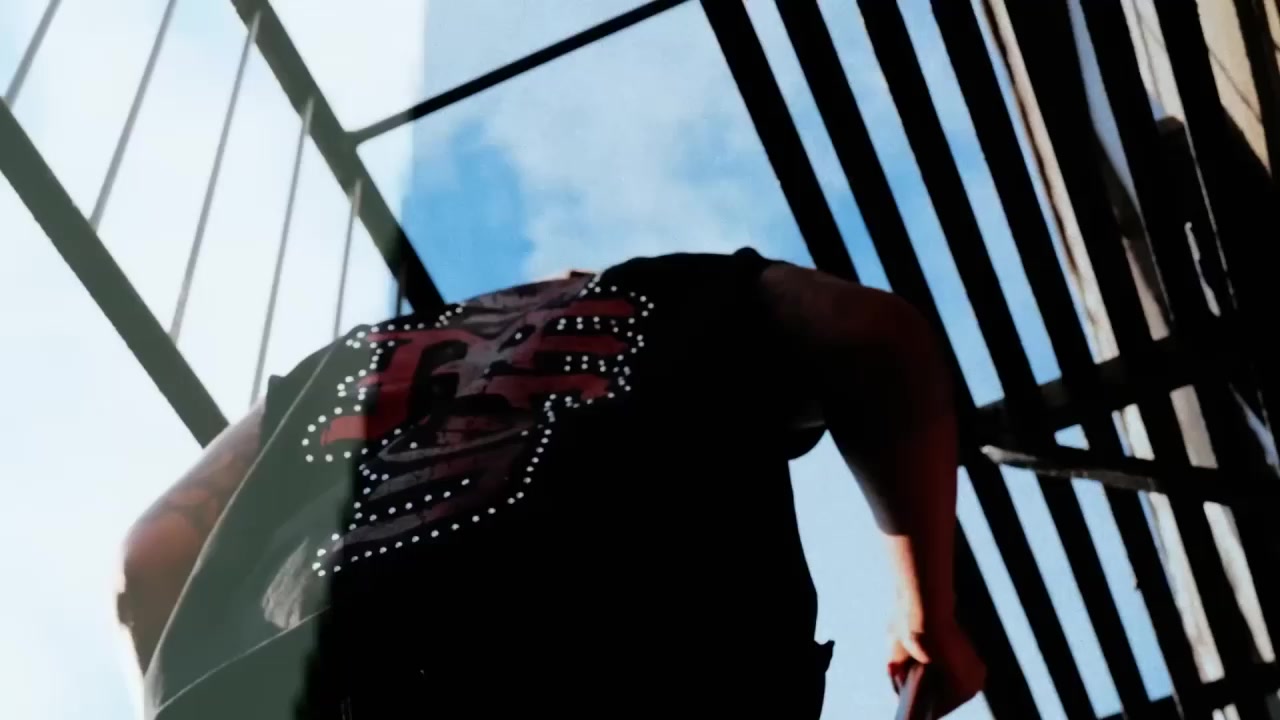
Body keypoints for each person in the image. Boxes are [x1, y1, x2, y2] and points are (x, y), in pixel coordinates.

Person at [117, 247, 985, 718]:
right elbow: (868, 334)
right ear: (570, 286)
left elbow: (147, 563)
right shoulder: (661, 293)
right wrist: (926, 615)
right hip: (628, 669)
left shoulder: (346, 364)